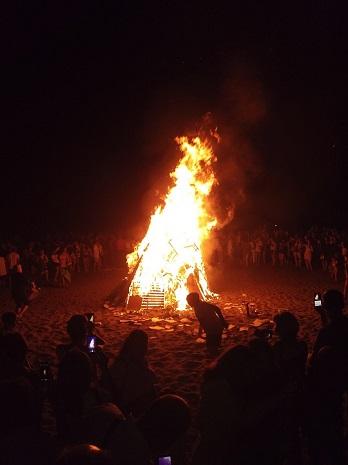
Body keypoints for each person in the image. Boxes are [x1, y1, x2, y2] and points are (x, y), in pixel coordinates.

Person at [109, 330, 157, 417]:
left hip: (121, 402)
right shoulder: (130, 365)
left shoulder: (120, 360)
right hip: (128, 406)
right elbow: (151, 379)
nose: (146, 348)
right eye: (145, 345)